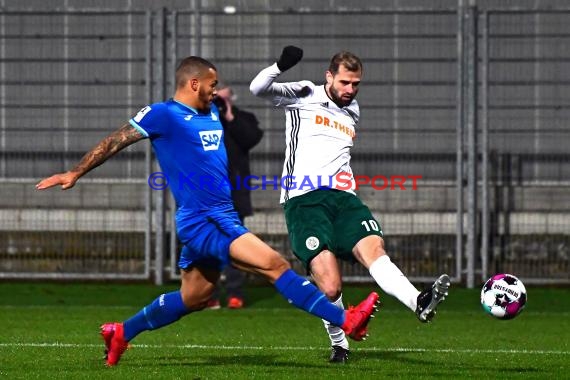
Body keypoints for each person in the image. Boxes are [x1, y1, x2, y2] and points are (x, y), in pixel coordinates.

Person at [35, 56, 380, 367]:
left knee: (195, 297)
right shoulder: (163, 114)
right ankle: (347, 321)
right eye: (213, 85)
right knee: (275, 265)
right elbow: (115, 139)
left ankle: (122, 332)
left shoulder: (212, 112)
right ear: (194, 83)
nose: (217, 91)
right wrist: (75, 172)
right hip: (204, 219)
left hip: (219, 216)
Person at [250, 46, 451, 364]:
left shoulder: (352, 109)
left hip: (345, 198)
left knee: (375, 251)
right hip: (305, 200)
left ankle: (419, 302)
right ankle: (340, 344)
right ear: (329, 76)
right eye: (344, 82)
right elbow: (258, 88)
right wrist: (280, 65)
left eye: (356, 84)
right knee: (330, 287)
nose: (350, 90)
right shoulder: (304, 92)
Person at [207, 84, 264, 309]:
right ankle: (207, 294)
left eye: (224, 96)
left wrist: (229, 113)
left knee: (235, 244)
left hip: (234, 192)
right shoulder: (203, 119)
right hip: (209, 190)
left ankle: (234, 293)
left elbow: (250, 138)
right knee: (208, 243)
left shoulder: (242, 118)